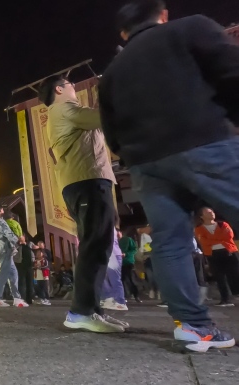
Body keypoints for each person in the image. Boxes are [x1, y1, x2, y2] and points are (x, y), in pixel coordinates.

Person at [98, 0, 239, 350]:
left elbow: (110, 130)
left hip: (147, 163)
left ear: (123, 33)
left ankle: (193, 326)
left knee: (171, 242)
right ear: (163, 15)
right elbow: (231, 72)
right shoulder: (191, 27)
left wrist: (134, 155)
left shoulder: (113, 72)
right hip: (203, 139)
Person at [38, 74, 125, 333]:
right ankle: (81, 312)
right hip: (87, 180)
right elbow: (101, 118)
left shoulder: (64, 111)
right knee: (94, 245)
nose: (74, 87)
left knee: (99, 244)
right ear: (58, 89)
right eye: (70, 84)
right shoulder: (65, 108)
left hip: (86, 179)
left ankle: (92, 310)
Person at [194, 207, 239, 307]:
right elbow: (204, 242)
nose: (212, 213)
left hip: (229, 251)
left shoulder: (223, 224)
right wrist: (219, 240)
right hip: (213, 254)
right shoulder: (199, 229)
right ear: (202, 216)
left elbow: (228, 236)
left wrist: (212, 240)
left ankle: (235, 294)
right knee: (219, 276)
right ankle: (225, 299)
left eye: (212, 211)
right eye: (208, 212)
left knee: (235, 274)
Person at [0, 202, 27, 308]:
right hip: (5, 249)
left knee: (13, 273)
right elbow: (9, 234)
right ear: (1, 210)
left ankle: (17, 298)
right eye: (2, 210)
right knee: (4, 272)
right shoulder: (1, 221)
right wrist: (19, 240)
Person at [100, 228, 128, 311]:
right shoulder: (103, 224)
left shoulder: (107, 225)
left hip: (113, 255)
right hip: (106, 255)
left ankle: (120, 302)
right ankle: (108, 298)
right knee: (100, 276)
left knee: (114, 279)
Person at [120, 228, 140, 302]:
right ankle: (125, 295)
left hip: (128, 262)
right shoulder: (114, 241)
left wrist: (126, 254)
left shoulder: (127, 239)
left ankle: (136, 295)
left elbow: (134, 249)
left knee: (131, 279)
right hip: (119, 263)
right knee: (122, 280)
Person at [17, 235, 35, 305]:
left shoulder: (29, 245)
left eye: (22, 237)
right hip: (21, 266)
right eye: (19, 237)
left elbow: (34, 249)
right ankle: (22, 299)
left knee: (30, 283)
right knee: (21, 283)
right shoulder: (17, 246)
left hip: (29, 266)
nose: (20, 238)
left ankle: (29, 299)